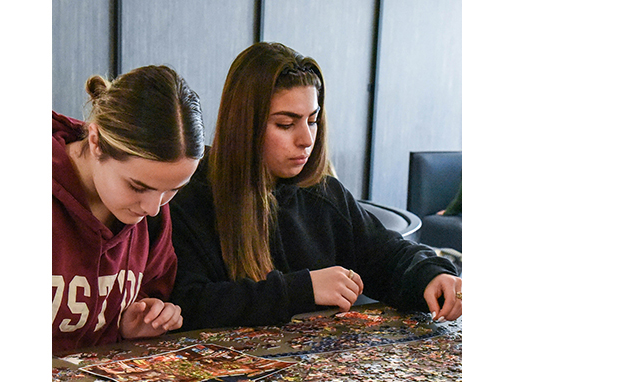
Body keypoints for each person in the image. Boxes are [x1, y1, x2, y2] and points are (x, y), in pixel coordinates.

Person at [168, 42, 462, 331]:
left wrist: (431, 275)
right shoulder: (189, 195)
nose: (306, 139)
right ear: (245, 125)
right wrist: (303, 289)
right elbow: (188, 304)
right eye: (285, 124)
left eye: (313, 120)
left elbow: (388, 256)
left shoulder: (324, 193)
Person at [52, 65, 205, 354]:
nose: (153, 209)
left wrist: (131, 325)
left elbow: (151, 287)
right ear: (96, 142)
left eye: (173, 190)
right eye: (137, 186)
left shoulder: (153, 209)